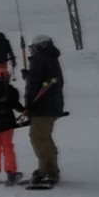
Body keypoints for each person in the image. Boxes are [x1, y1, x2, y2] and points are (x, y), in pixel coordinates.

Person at [21, 36, 65, 188]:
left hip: (42, 106)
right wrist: (30, 75)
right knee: (45, 137)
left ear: (40, 47)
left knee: (38, 138)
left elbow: (34, 85)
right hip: (51, 105)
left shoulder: (39, 59)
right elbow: (44, 79)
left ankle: (44, 171)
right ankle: (51, 169)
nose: (32, 51)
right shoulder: (50, 58)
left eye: (33, 48)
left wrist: (29, 105)